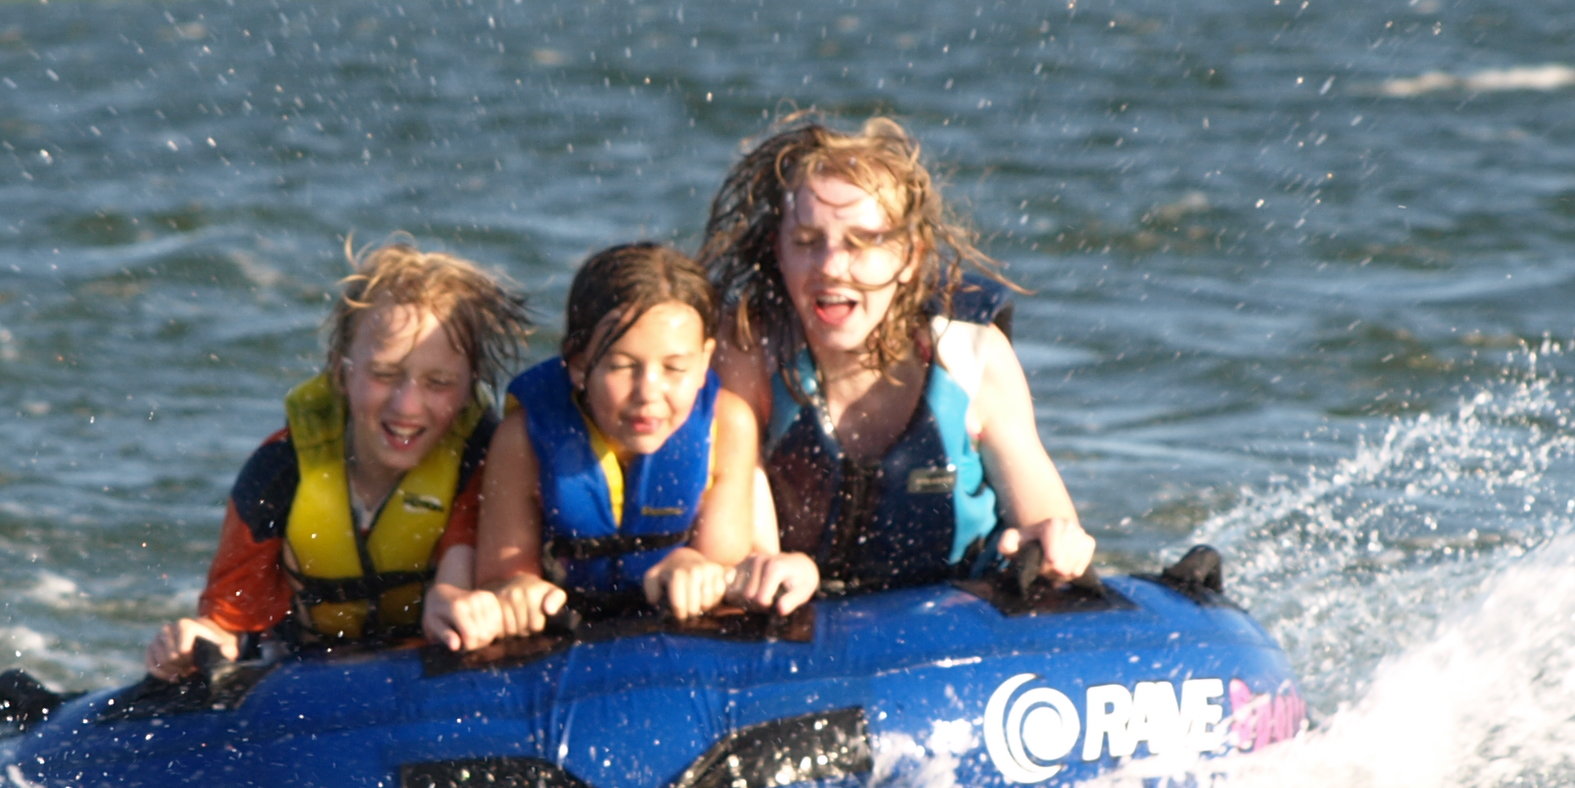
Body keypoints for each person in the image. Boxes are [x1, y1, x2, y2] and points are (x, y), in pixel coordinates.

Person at [698, 114, 1093, 610]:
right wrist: (761, 566)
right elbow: (741, 539)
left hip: (959, 610)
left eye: (863, 241)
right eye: (806, 242)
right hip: (803, 613)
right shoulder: (750, 353)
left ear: (910, 257)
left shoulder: (972, 355)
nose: (831, 265)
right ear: (779, 252)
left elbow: (1046, 519)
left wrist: (1054, 543)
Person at [142, 242, 530, 677]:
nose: (407, 406)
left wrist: (478, 601)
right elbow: (228, 621)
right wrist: (195, 640)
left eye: (439, 382)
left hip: (433, 667)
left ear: (469, 388)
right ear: (341, 371)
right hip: (306, 672)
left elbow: (472, 561)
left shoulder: (487, 463)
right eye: (383, 374)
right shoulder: (280, 472)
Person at [431, 240, 756, 651]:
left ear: (705, 360)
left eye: (675, 367)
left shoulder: (729, 426)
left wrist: (701, 571)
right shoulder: (522, 440)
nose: (648, 392)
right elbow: (499, 576)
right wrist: (515, 590)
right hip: (568, 635)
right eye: (622, 365)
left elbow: (725, 563)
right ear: (579, 364)